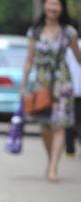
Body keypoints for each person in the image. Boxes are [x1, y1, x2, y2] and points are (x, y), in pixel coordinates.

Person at [20, 0, 81, 182]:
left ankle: (53, 167)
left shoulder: (68, 32)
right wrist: (23, 86)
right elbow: (29, 60)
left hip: (62, 83)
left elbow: (79, 58)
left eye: (57, 4)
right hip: (41, 83)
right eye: (50, 4)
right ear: (44, 7)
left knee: (59, 125)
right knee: (45, 127)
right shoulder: (35, 32)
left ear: (62, 8)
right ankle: (50, 160)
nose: (53, 8)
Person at [65, 22, 81, 158]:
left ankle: (69, 150)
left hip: (69, 89)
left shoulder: (67, 48)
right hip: (72, 89)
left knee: (70, 120)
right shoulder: (68, 47)